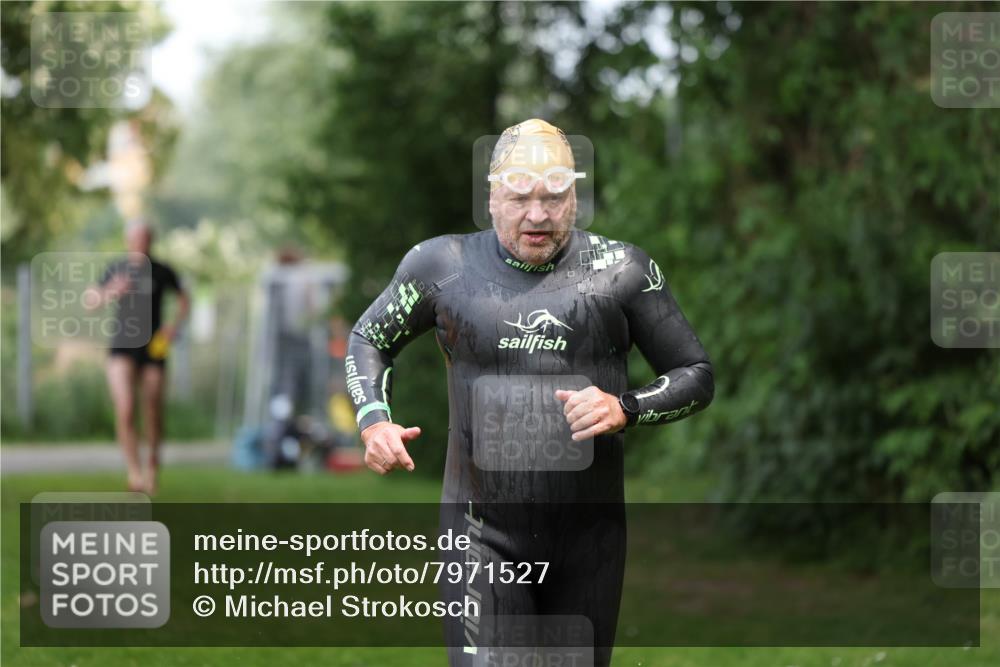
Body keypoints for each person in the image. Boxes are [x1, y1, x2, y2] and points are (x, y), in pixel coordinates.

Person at [346, 119, 714, 666]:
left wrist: (625, 408)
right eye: (520, 198)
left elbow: (695, 374)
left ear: (575, 199)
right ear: (492, 198)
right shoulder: (443, 266)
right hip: (481, 535)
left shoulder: (621, 271)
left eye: (553, 198)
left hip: (589, 541)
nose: (538, 215)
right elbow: (369, 338)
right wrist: (374, 421)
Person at [87, 220, 189, 494]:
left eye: (146, 238)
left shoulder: (163, 270)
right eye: (137, 239)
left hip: (154, 347)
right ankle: (134, 474)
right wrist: (112, 291)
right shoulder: (116, 268)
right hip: (122, 346)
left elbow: (184, 299)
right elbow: (90, 301)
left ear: (151, 241)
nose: (141, 244)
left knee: (153, 408)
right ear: (128, 240)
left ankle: (152, 467)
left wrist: (174, 326)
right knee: (126, 408)